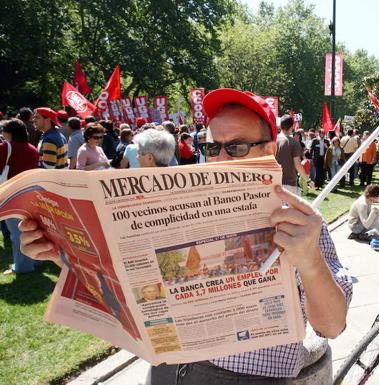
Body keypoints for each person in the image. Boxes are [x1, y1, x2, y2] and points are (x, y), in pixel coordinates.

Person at [19, 90, 352, 383]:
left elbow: (332, 327)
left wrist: (310, 263)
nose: (219, 159)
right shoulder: (170, 208)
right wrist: (66, 252)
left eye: (235, 147)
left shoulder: (300, 218)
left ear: (268, 148)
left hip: (251, 378)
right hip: (167, 367)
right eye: (211, 146)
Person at [0, 119, 40, 274]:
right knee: (32, 230)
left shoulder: (6, 148)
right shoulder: (33, 149)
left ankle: (22, 266)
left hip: (12, 195)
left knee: (17, 233)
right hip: (31, 194)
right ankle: (36, 260)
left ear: (9, 132)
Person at [275, 115, 310, 195]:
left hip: (274, 183)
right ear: (292, 126)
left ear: (280, 126)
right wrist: (308, 180)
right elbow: (298, 165)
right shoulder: (294, 143)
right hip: (289, 185)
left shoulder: (273, 140)